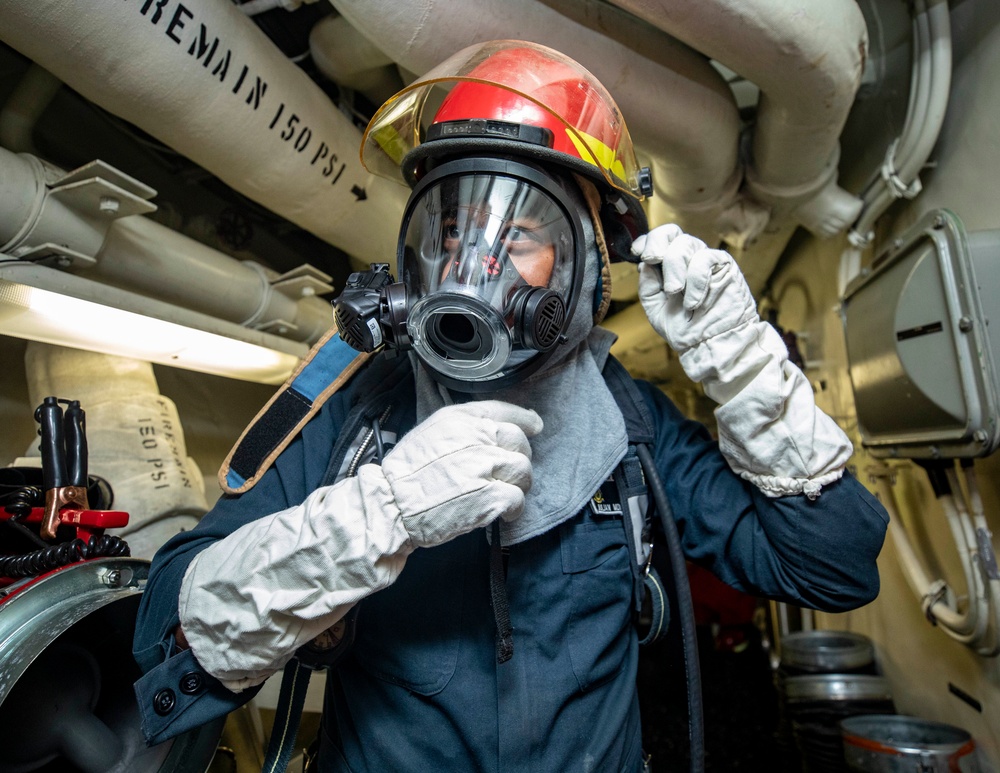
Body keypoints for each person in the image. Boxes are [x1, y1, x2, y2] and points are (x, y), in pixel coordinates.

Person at [132, 40, 888, 771]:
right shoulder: (361, 410)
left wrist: (745, 367)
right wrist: (377, 515)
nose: (475, 266)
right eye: (454, 230)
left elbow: (833, 566)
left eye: (520, 233)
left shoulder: (627, 426)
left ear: (588, 262)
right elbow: (169, 627)